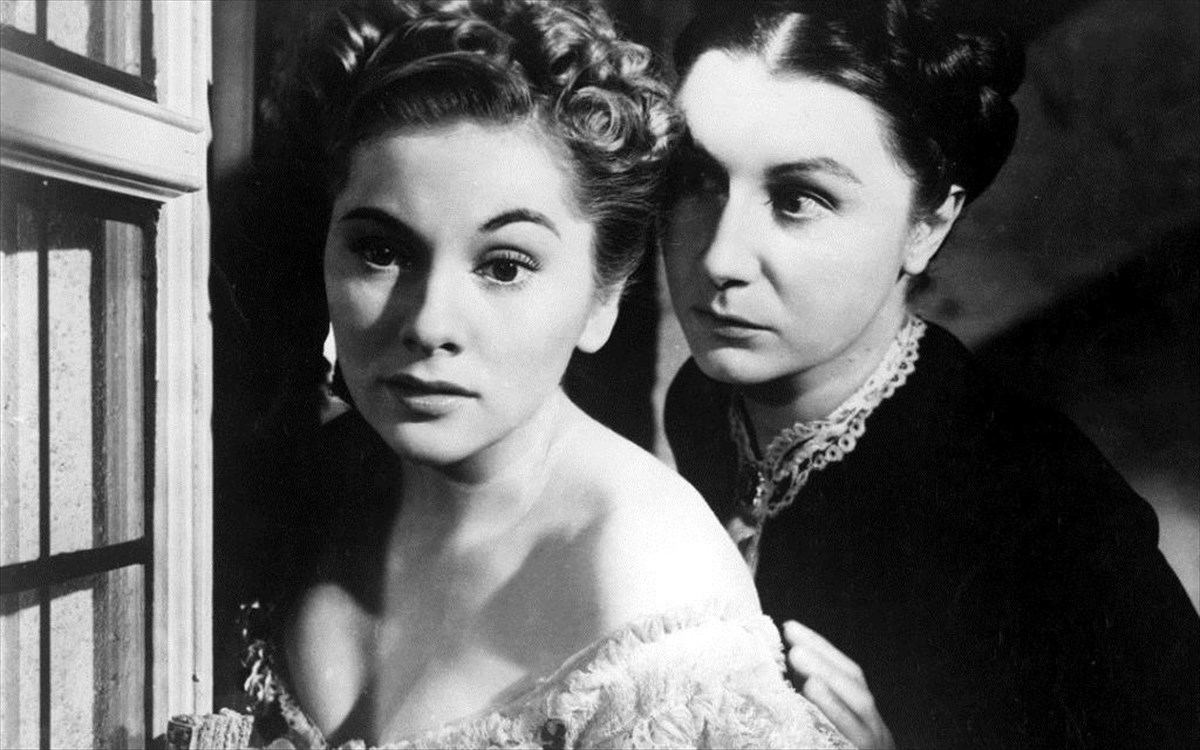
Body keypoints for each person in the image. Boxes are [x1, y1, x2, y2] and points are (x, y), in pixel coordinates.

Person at [179, 1, 853, 748]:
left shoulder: (642, 576)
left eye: (504, 266)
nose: (429, 323)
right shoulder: (303, 485)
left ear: (602, 298)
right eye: (381, 251)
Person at [661, 1, 1200, 748]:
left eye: (797, 199)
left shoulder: (1041, 506)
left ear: (929, 224)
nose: (721, 259)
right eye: (698, 179)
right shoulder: (704, 400)